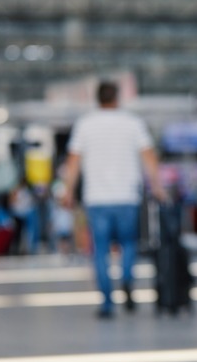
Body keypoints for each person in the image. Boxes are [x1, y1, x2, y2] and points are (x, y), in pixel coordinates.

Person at [62, 80, 167, 319]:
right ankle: (127, 280)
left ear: (97, 98)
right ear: (117, 98)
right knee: (129, 243)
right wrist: (158, 187)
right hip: (127, 196)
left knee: (100, 250)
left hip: (96, 198)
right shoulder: (133, 123)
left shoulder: (85, 125)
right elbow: (149, 157)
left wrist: (67, 191)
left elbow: (73, 161)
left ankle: (107, 303)